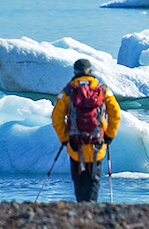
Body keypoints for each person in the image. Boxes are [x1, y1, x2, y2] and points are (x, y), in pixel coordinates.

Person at [51, 58, 122, 202]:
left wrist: (65, 138)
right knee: (93, 180)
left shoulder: (68, 91)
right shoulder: (102, 90)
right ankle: (91, 207)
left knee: (79, 179)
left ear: (75, 72)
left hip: (75, 144)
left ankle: (81, 207)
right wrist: (109, 135)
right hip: (97, 142)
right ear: (90, 71)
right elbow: (115, 113)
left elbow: (56, 117)